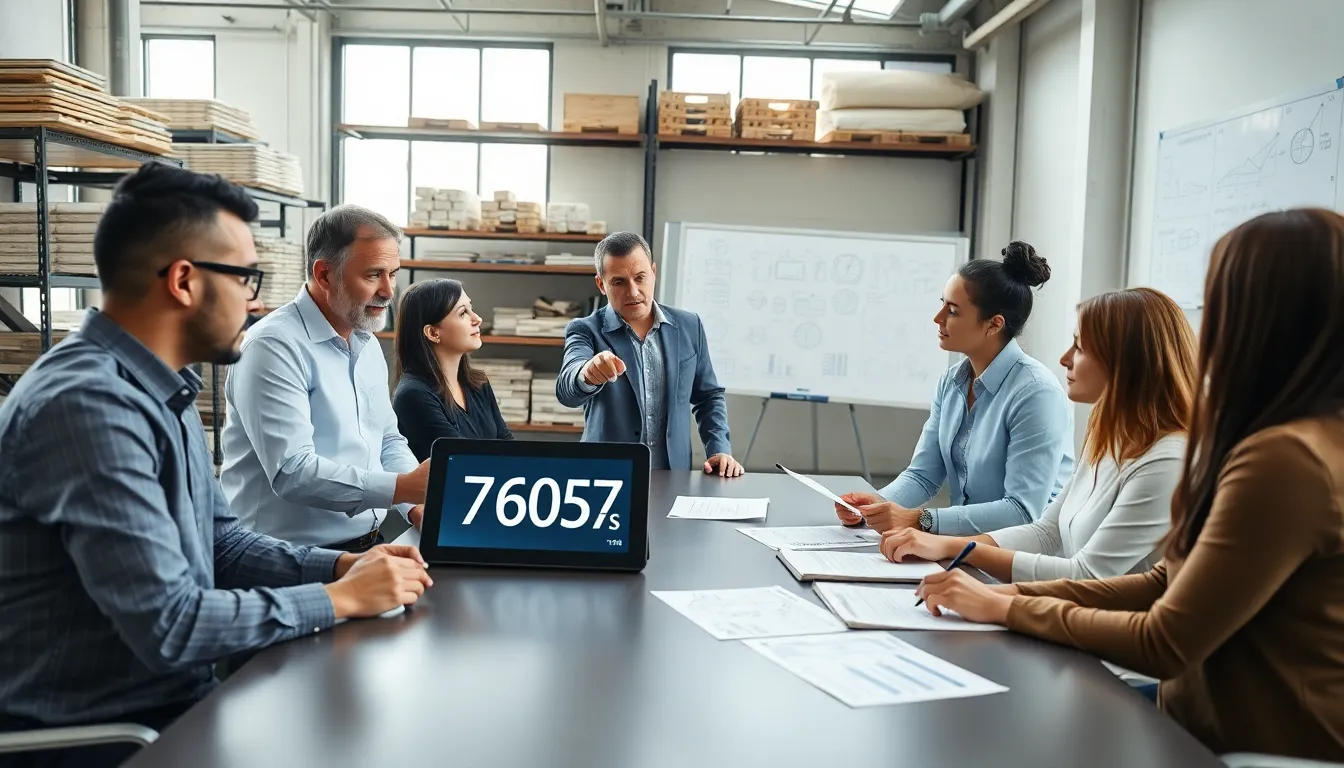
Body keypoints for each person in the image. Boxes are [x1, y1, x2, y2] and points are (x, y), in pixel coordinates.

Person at [0, 165, 432, 768]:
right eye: (245, 278)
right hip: (108, 737)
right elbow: (171, 624)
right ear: (184, 281)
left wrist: (342, 565)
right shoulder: (87, 406)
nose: (255, 302)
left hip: (176, 706)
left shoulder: (160, 388)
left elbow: (220, 543)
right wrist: (338, 597)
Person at [914, 209, 1344, 761]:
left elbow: (1164, 640)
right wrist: (1004, 595)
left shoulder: (1286, 460)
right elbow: (1164, 581)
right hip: (1199, 728)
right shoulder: (1283, 439)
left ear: (1260, 320)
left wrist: (1004, 607)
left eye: (1220, 302)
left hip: (1258, 750)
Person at [880, 287, 1196, 583]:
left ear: (1128, 363)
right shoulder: (1110, 439)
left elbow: (1086, 575)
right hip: (1064, 607)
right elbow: (1047, 532)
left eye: (1080, 348)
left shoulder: (1166, 461)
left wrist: (951, 547)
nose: (1065, 359)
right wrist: (947, 545)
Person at [221, 205, 430, 549]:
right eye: (373, 275)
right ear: (324, 275)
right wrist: (403, 487)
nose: (389, 291)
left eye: (393, 274)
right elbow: (293, 472)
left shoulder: (366, 343)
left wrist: (415, 504)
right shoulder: (272, 346)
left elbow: (387, 440)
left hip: (368, 541)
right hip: (282, 555)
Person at [835, 241, 1074, 535]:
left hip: (1021, 551)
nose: (937, 318)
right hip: (965, 545)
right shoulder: (951, 382)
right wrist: (877, 505)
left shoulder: (1037, 394)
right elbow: (923, 475)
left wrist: (921, 520)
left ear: (994, 324)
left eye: (952, 311)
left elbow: (1022, 511)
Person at [556, 231, 743, 476]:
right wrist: (587, 374)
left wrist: (719, 449)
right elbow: (567, 391)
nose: (633, 292)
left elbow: (708, 396)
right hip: (606, 476)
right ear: (601, 284)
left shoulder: (689, 326)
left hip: (673, 475)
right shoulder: (585, 329)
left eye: (640, 278)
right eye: (619, 282)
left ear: (653, 272)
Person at [393, 278, 513, 460]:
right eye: (463, 312)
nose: (477, 319)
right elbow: (462, 462)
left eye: (471, 308)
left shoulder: (478, 384)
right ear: (433, 333)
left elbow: (509, 447)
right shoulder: (414, 395)